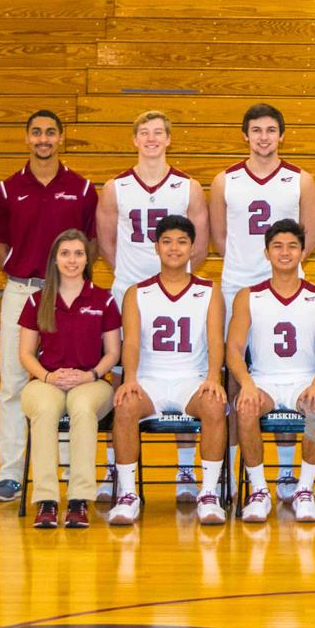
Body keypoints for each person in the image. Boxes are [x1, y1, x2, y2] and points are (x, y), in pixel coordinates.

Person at [94, 110, 210, 504]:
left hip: (181, 292)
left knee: (185, 369)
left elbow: (202, 243)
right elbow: (107, 242)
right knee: (123, 377)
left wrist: (172, 271)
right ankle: (114, 466)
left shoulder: (188, 186)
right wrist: (134, 277)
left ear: (169, 139)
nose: (151, 139)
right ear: (134, 139)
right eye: (144, 132)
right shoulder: (115, 187)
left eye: (158, 132)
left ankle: (184, 468)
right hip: (131, 290)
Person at [0, 110, 98, 503]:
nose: (43, 139)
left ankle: (67, 471)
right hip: (23, 290)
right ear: (27, 138)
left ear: (62, 137)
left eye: (50, 132)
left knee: (67, 379)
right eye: (36, 132)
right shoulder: (6, 189)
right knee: (14, 384)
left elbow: (92, 241)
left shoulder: (83, 188)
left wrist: (71, 280)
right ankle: (11, 474)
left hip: (68, 293)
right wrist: (19, 273)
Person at [210, 103, 315, 500]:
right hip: (238, 281)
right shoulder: (225, 181)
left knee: (291, 372)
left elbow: (309, 239)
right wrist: (250, 270)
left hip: (289, 283)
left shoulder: (301, 180)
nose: (263, 137)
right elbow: (219, 238)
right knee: (239, 378)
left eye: (271, 130)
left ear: (281, 135)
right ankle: (240, 473)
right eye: (256, 130)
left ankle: (290, 472)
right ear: (245, 135)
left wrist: (282, 267)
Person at [106, 216, 228, 526]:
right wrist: (130, 380)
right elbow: (130, 343)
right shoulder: (137, 292)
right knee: (125, 405)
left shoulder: (210, 291)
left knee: (215, 404)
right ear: (156, 247)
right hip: (151, 380)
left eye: (182, 241)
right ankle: (128, 495)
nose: (174, 248)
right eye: (167, 241)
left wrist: (214, 377)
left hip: (192, 380)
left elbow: (216, 341)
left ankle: (209, 493)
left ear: (193, 248)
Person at [226, 219, 315, 523]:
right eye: (277, 246)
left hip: (304, 379)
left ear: (303, 253)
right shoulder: (248, 296)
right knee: (245, 408)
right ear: (266, 253)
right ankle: (259, 490)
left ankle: (304, 490)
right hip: (263, 380)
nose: (285, 252)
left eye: (292, 246)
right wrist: (246, 384)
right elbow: (233, 349)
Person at [19, 230, 121, 529]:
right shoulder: (38, 300)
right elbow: (25, 353)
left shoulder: (103, 299)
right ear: (54, 260)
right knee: (46, 410)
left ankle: (79, 500)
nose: (72, 260)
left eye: (78, 253)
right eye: (65, 253)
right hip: (46, 380)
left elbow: (113, 352)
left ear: (87, 259)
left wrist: (90, 374)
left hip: (91, 381)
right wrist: (48, 376)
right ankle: (47, 500)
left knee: (81, 409)